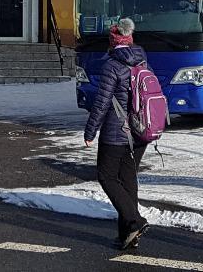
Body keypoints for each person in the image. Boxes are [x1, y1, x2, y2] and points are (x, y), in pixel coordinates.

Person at [83, 18, 151, 251]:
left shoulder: (112, 65)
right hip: (140, 131)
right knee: (128, 179)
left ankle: (135, 221)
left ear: (112, 42)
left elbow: (102, 103)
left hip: (116, 132)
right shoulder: (142, 61)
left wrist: (90, 131)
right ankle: (127, 235)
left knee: (107, 176)